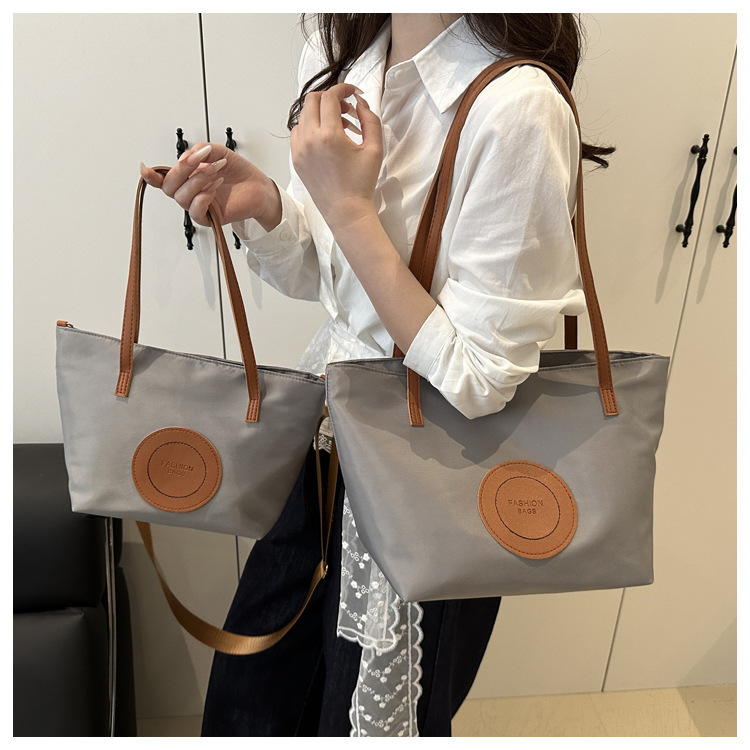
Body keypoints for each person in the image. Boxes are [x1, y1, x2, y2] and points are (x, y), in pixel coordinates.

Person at [140, 13, 613, 737]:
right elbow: (334, 286)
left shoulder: (517, 104)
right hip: (325, 443)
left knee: (369, 721)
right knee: (251, 704)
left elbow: (480, 377)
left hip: (431, 479)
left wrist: (349, 208)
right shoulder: (343, 51)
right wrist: (268, 208)